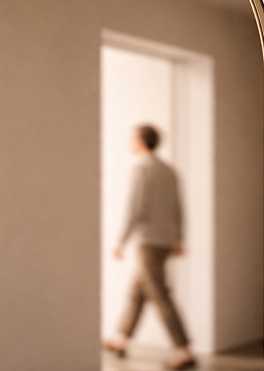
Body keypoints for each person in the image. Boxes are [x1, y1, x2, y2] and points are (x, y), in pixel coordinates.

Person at [102, 125, 196, 370]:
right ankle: (121, 341)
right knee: (137, 292)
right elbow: (179, 207)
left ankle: (185, 350)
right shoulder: (170, 171)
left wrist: (121, 240)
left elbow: (136, 207)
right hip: (166, 241)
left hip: (149, 242)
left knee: (160, 295)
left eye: (133, 139)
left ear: (142, 141)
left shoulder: (142, 169)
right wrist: (179, 238)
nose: (131, 143)